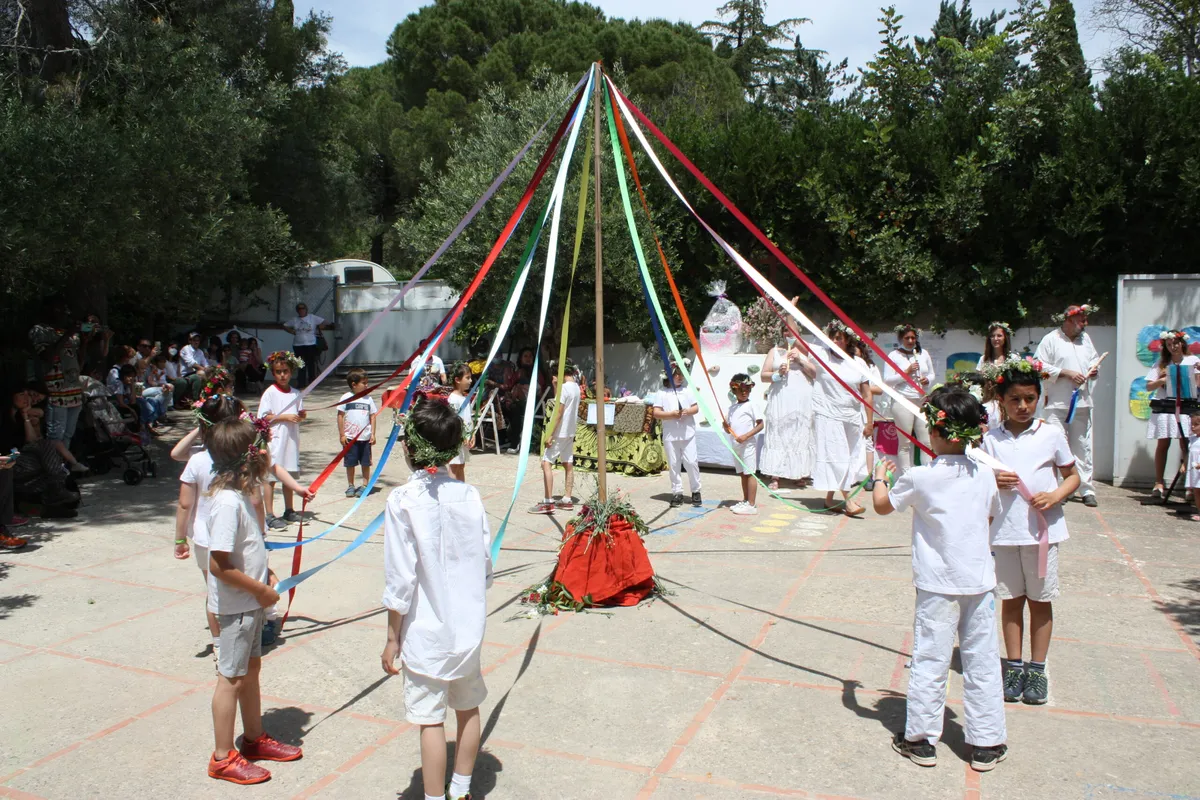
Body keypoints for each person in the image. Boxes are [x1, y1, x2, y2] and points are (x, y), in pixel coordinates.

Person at [871, 385, 1007, 772]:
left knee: (930, 659)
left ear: (933, 430)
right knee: (982, 661)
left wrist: (880, 477)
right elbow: (989, 515)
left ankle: (920, 740)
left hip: (936, 586)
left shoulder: (920, 476)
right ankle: (986, 742)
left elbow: (882, 506)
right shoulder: (985, 475)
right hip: (978, 582)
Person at [380, 396, 492, 800]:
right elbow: (484, 562)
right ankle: (460, 790)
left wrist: (392, 637)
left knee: (430, 720)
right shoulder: (470, 495)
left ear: (409, 446)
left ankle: (432, 797)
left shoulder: (402, 501)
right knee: (468, 706)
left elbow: (400, 576)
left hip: (425, 633)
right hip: (467, 627)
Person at [204, 417, 302, 784]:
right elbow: (218, 564)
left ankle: (254, 738)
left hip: (250, 604)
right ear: (248, 457)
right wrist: (259, 591)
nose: (267, 453)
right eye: (262, 447)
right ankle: (222, 757)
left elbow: (243, 550)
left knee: (251, 671)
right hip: (237, 607)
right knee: (230, 678)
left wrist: (265, 573)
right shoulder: (227, 504)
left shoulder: (240, 496)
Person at [982, 356, 1079, 706]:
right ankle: (1013, 666)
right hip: (1005, 533)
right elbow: (978, 481)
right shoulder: (990, 440)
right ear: (1001, 401)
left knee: (1040, 601)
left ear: (1040, 397)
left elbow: (1072, 476)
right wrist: (992, 481)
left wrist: (1055, 496)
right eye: (1014, 399)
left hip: (1042, 534)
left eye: (1029, 398)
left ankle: (1037, 669)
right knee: (1011, 601)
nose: (1022, 406)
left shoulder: (1051, 434)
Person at [1035, 303, 1102, 507]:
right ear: (1069, 319)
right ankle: (1059, 490)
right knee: (1056, 446)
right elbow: (1038, 367)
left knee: (1082, 447)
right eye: (1082, 319)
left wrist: (1093, 371)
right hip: (1056, 404)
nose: (1085, 323)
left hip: (1082, 403)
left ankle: (1086, 489)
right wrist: (1065, 373)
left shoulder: (1086, 340)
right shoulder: (1051, 339)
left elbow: (1094, 361)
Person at [812, 322, 870, 516]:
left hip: (852, 416)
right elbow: (797, 341)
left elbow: (867, 393)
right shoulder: (823, 356)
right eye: (833, 338)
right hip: (830, 415)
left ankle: (829, 500)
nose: (835, 341)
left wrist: (869, 422)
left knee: (850, 458)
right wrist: (790, 313)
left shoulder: (858, 363)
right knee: (838, 457)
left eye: (839, 338)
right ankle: (849, 502)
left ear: (847, 340)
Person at [28, 298, 89, 475]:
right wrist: (68, 334)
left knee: (67, 435)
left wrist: (84, 341)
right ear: (48, 310)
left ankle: (62, 468)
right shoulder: (40, 331)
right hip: (56, 391)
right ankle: (53, 469)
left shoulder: (70, 334)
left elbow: (79, 363)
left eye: (65, 310)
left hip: (74, 390)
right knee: (56, 435)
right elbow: (46, 356)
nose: (64, 314)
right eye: (59, 310)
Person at [1, 385, 80, 517]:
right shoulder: (3, 417)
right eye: (21, 394)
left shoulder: (22, 416)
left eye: (27, 394)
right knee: (46, 456)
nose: (26, 398)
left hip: (21, 458)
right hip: (6, 459)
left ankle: (52, 499)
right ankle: (56, 490)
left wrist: (25, 416)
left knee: (45, 455)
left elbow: (32, 440)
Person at [759, 323, 816, 491]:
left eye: (792, 330)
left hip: (801, 398)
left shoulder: (807, 352)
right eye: (785, 330)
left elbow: (815, 374)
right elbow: (763, 375)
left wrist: (799, 361)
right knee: (779, 432)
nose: (788, 333)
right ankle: (775, 474)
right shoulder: (775, 351)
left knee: (799, 432)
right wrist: (777, 374)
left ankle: (800, 473)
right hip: (781, 397)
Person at [1144, 330, 1200, 503]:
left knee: (1186, 444)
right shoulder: (1161, 363)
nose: (1173, 347)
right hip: (1166, 405)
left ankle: (1190, 486)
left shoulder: (1193, 360)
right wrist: (1162, 380)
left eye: (1175, 343)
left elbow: (1197, 384)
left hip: (1186, 404)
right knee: (1163, 443)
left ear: (1182, 343)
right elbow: (1148, 386)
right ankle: (1159, 483)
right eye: (1169, 344)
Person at [258, 352, 307, 529]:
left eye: (285, 371)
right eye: (278, 372)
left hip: (290, 440)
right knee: (271, 476)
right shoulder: (270, 393)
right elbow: (263, 417)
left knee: (289, 474)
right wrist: (284, 417)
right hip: (275, 439)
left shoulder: (296, 393)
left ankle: (289, 510)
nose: (282, 375)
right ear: (273, 373)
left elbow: (299, 414)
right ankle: (269, 514)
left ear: (291, 371)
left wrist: (301, 416)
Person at [529, 361, 582, 514]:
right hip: (570, 431)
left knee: (546, 462)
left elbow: (559, 412)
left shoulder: (564, 388)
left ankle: (547, 501)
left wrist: (551, 434)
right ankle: (567, 499)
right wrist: (555, 386)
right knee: (568, 463)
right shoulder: (576, 387)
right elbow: (559, 401)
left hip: (560, 431)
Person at [882, 324, 935, 475]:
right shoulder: (894, 355)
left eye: (913, 338)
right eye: (907, 338)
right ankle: (907, 476)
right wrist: (906, 372)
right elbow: (887, 380)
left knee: (926, 441)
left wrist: (927, 380)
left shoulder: (923, 353)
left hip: (921, 400)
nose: (911, 341)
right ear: (900, 339)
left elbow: (931, 374)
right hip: (902, 400)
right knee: (905, 442)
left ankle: (927, 474)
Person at [653, 360, 702, 508]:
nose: (680, 377)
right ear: (668, 375)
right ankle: (677, 492)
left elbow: (695, 408)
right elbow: (656, 412)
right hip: (670, 434)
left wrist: (687, 411)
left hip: (687, 433)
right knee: (674, 464)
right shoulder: (662, 393)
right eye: (677, 374)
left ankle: (696, 490)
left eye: (682, 374)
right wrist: (671, 414)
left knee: (691, 462)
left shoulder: (688, 390)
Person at [724, 373, 764, 515]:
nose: (744, 392)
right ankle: (746, 500)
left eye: (747, 390)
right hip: (736, 446)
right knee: (742, 474)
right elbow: (728, 430)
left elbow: (761, 425)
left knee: (750, 473)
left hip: (748, 445)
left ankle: (751, 505)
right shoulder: (732, 408)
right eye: (741, 390)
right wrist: (725, 425)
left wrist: (746, 436)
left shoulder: (752, 405)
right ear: (734, 391)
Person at [337, 368, 378, 498]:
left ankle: (365, 485)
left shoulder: (368, 399)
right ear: (354, 384)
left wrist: (373, 434)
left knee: (366, 463)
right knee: (350, 463)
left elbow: (373, 416)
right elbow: (340, 416)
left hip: (365, 438)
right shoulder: (346, 398)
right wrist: (342, 434)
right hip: (350, 438)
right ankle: (351, 485)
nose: (367, 385)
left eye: (367, 382)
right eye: (364, 383)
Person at [283, 303, 331, 388]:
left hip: (310, 344)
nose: (301, 310)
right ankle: (301, 383)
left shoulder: (312, 317)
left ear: (306, 309)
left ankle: (312, 383)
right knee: (300, 364)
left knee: (311, 364)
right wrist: (292, 331)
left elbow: (326, 322)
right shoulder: (295, 319)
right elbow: (285, 325)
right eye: (299, 309)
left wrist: (320, 327)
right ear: (297, 310)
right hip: (298, 345)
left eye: (303, 308)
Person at [446, 363, 475, 482]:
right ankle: (452, 488)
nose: (470, 381)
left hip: (465, 437)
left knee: (461, 465)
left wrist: (472, 433)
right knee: (454, 465)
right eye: (467, 378)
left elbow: (468, 417)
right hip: (456, 438)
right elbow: (453, 419)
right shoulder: (453, 399)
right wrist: (461, 435)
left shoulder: (464, 397)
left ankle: (462, 488)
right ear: (457, 380)